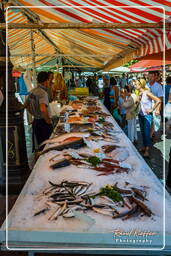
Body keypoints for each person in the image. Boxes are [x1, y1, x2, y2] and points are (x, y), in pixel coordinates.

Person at [25, 71, 53, 150]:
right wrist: (48, 122)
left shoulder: (32, 91)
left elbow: (26, 105)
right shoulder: (43, 93)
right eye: (48, 80)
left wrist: (34, 114)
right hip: (43, 123)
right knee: (46, 147)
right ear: (46, 81)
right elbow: (43, 109)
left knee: (39, 146)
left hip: (36, 122)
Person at [135, 79, 161, 158]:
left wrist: (152, 109)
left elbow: (158, 100)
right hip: (141, 115)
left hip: (147, 116)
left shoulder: (147, 93)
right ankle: (144, 146)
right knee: (142, 133)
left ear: (141, 85)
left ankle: (147, 150)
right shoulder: (140, 93)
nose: (135, 85)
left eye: (136, 84)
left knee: (147, 133)